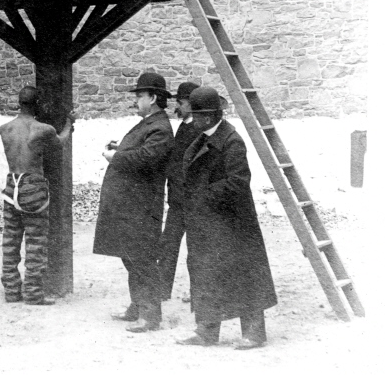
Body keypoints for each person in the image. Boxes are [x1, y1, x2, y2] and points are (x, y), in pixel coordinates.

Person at [176, 87, 278, 350]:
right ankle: (206, 331)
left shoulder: (231, 140)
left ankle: (254, 334)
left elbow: (238, 182)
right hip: (208, 223)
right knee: (206, 273)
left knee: (244, 275)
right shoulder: (202, 137)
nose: (190, 117)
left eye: (195, 114)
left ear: (208, 117)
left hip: (233, 223)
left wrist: (203, 196)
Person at [93, 72, 174, 333]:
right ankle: (137, 307)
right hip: (131, 206)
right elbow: (139, 151)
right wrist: (120, 148)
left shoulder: (160, 127)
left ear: (152, 98)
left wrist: (114, 157)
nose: (136, 101)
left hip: (142, 207)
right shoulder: (149, 123)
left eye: (139, 96)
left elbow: (147, 158)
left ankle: (150, 316)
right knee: (131, 258)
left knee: (142, 260)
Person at [0, 86, 73, 305]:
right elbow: (60, 144)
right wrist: (70, 124)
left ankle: (11, 291)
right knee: (36, 241)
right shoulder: (43, 129)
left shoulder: (5, 129)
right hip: (33, 185)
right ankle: (33, 293)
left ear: (19, 103)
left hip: (11, 185)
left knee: (10, 240)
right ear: (37, 105)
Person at [157, 81, 200, 304]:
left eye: (181, 103)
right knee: (168, 245)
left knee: (196, 251)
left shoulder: (199, 130)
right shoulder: (184, 126)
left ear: (192, 104)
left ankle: (198, 294)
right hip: (178, 201)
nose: (177, 108)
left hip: (193, 202)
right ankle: (162, 291)